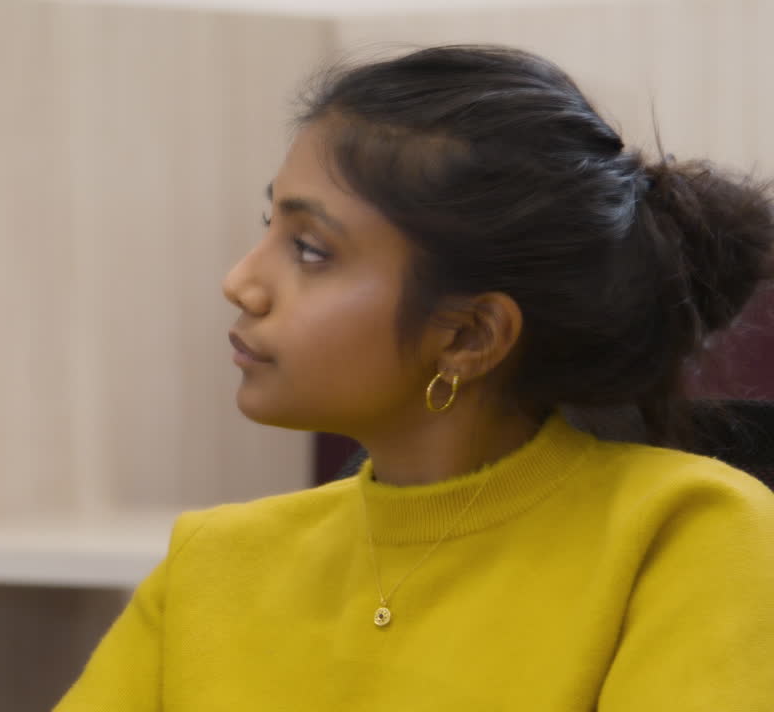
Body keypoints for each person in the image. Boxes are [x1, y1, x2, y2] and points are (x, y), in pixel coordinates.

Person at [56, 45, 774, 709]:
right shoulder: (212, 559)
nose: (240, 281)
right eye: (266, 224)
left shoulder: (688, 534)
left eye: (309, 250)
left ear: (469, 335)